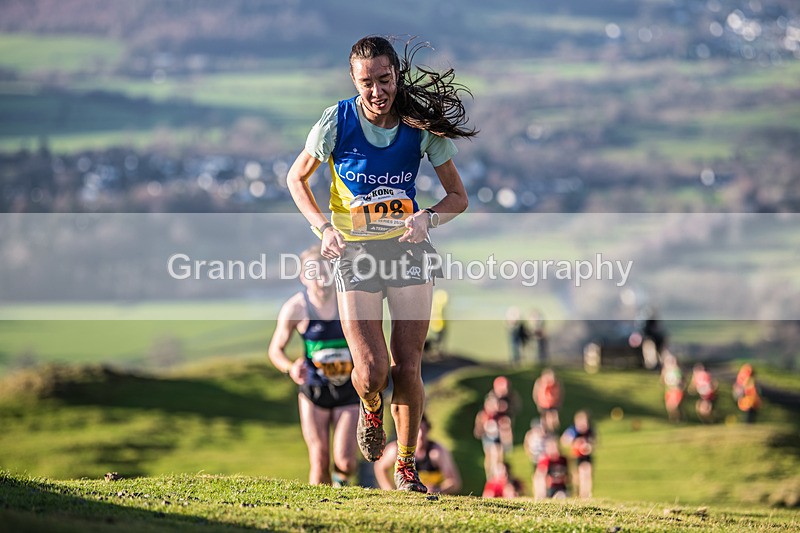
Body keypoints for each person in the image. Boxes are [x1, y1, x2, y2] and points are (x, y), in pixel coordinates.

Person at [285, 35, 474, 493]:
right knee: (372, 372)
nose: (377, 91)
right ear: (353, 81)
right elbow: (297, 179)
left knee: (408, 365)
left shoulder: (419, 123)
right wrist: (323, 229)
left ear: (396, 75)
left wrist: (428, 218)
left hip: (407, 251)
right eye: (366, 82)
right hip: (355, 254)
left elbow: (458, 197)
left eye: (384, 80)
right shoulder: (336, 121)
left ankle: (405, 467)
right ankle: (371, 408)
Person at [268, 245, 359, 486]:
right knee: (319, 460)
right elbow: (275, 350)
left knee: (346, 461)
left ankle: (340, 488)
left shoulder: (348, 302)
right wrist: (290, 367)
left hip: (349, 389)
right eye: (315, 275)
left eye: (327, 273)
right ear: (303, 277)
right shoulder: (296, 308)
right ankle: (323, 506)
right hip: (314, 390)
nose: (322, 281)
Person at [374, 413, 461, 494]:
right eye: (417, 431)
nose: (420, 435)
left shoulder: (436, 452)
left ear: (428, 430)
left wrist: (437, 490)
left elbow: (454, 482)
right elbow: (380, 467)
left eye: (424, 431)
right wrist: (390, 490)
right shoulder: (395, 450)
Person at [474, 393, 513, 480]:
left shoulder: (500, 415)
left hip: (497, 437)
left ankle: (498, 474)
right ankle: (490, 475)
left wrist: (507, 441)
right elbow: (478, 429)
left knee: (498, 455)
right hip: (488, 437)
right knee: (490, 455)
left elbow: (506, 428)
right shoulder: (483, 415)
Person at [560, 410, 595, 498]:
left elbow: (594, 442)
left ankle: (586, 494)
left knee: (587, 473)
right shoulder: (573, 431)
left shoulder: (590, 431)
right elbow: (564, 440)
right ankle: (578, 492)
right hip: (576, 456)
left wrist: (588, 447)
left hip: (586, 456)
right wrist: (575, 444)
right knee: (577, 476)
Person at [524, 418, 549, 500]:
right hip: (534, 458)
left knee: (542, 475)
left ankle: (542, 494)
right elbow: (526, 445)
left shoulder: (545, 436)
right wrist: (529, 454)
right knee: (536, 476)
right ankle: (537, 493)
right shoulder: (530, 435)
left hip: (543, 459)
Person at [532, 368, 563, 433]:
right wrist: (538, 402)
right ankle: (545, 430)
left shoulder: (556, 384)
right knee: (545, 418)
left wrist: (559, 402)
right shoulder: (540, 382)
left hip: (553, 403)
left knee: (554, 419)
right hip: (543, 403)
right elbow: (535, 393)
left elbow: (560, 393)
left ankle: (551, 430)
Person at [660, 353, 684, 423]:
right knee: (669, 406)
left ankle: (678, 419)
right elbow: (662, 380)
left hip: (675, 390)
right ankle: (673, 419)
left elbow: (680, 381)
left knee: (673, 406)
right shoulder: (666, 371)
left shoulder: (677, 371)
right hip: (669, 390)